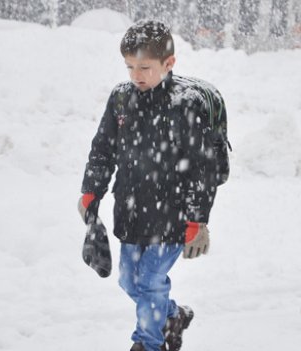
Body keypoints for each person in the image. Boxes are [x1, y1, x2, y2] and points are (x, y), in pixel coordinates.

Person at [78, 20, 229, 351]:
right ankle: (171, 316)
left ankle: (148, 342)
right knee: (128, 280)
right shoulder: (121, 100)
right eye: (130, 66)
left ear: (168, 63)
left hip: (172, 213)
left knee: (149, 281)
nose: (136, 75)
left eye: (145, 67)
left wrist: (195, 219)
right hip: (131, 210)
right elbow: (102, 150)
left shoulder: (185, 104)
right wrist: (92, 190)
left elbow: (200, 169)